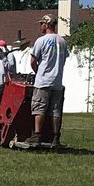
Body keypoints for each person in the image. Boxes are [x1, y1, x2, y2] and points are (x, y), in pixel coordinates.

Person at [29, 13, 68, 147]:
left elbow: (33, 61)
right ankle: (55, 138)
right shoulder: (62, 41)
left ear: (47, 25)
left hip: (43, 81)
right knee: (55, 111)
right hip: (57, 82)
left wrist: (38, 72)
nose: (40, 26)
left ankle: (37, 136)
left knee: (39, 107)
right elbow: (64, 59)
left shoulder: (41, 40)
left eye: (42, 24)